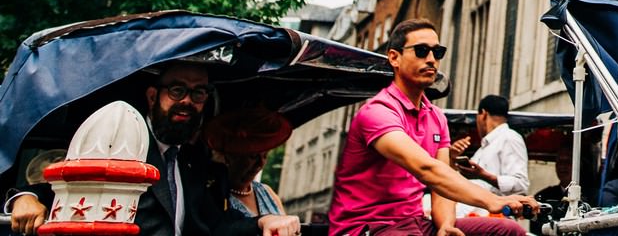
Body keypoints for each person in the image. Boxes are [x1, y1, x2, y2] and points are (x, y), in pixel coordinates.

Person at [5, 62, 301, 236]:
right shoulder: (120, 138)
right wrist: (25, 197)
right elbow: (67, 187)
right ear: (152, 96)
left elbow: (212, 224)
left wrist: (264, 220)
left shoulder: (191, 160)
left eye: (198, 92)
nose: (187, 100)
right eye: (177, 90)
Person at [327, 19, 538, 236]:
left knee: (507, 231)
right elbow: (428, 170)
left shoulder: (436, 118)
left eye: (437, 52)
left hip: (416, 223)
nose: (431, 60)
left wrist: (446, 224)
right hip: (369, 227)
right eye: (421, 51)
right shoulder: (378, 112)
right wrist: (492, 201)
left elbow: (442, 184)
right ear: (394, 57)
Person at [203, 108, 293, 218]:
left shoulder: (268, 193)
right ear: (230, 156)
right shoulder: (212, 195)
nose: (260, 163)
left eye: (265, 155)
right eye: (253, 156)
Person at [453, 96, 529, 196]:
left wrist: (483, 175)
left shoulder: (510, 137)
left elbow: (521, 184)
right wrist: (452, 156)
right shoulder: (484, 148)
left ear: (483, 114)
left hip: (492, 210)